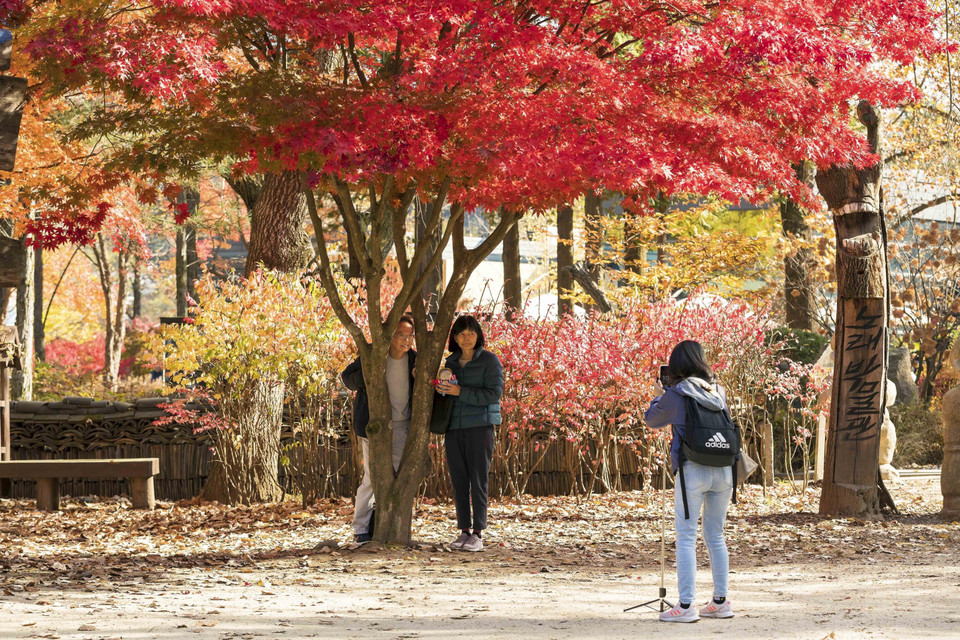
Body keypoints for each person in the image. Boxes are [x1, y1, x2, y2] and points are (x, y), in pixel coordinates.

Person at [644, 340, 736, 623]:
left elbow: (652, 420)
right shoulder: (717, 390)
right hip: (724, 470)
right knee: (716, 536)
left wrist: (659, 396)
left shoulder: (677, 393)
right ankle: (720, 602)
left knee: (686, 538)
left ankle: (685, 607)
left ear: (676, 366)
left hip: (692, 470)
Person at [341, 316, 416, 543]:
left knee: (401, 478)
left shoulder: (415, 360)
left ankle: (394, 527)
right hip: (376, 429)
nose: (406, 340)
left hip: (405, 429)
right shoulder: (375, 353)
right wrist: (371, 372)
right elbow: (348, 379)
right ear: (390, 336)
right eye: (401, 334)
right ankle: (361, 529)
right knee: (372, 479)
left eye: (410, 335)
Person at [436, 314, 503, 552]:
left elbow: (493, 394)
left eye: (471, 333)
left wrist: (459, 392)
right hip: (454, 428)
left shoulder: (489, 360)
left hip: (480, 427)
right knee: (459, 480)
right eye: (461, 334)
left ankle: (478, 534)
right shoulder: (450, 363)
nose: (466, 338)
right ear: (454, 338)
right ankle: (463, 531)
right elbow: (446, 395)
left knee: (479, 480)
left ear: (478, 336)